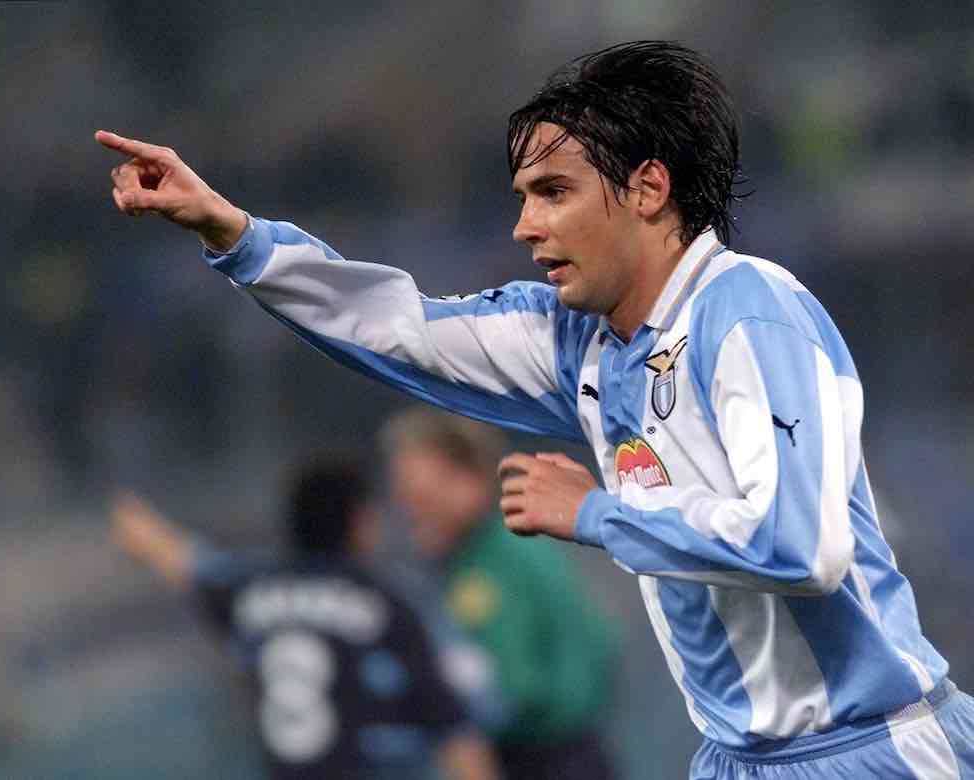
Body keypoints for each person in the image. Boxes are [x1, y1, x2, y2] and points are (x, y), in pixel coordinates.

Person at [96, 39, 974, 779]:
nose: (524, 225)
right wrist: (232, 233)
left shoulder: (748, 313)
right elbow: (398, 325)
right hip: (734, 757)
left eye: (552, 192)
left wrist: (600, 513)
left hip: (874, 751)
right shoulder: (577, 342)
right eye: (522, 196)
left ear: (647, 187)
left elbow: (803, 548)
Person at [111, 455, 499, 780]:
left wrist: (139, 526)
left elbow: (189, 565)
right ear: (360, 522)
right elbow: (452, 728)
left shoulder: (251, 592)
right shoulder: (386, 604)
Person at [380, 405, 620, 779]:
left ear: (469, 480)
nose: (408, 510)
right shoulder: (474, 559)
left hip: (546, 764)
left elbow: (518, 687)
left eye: (422, 496)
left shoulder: (498, 562)